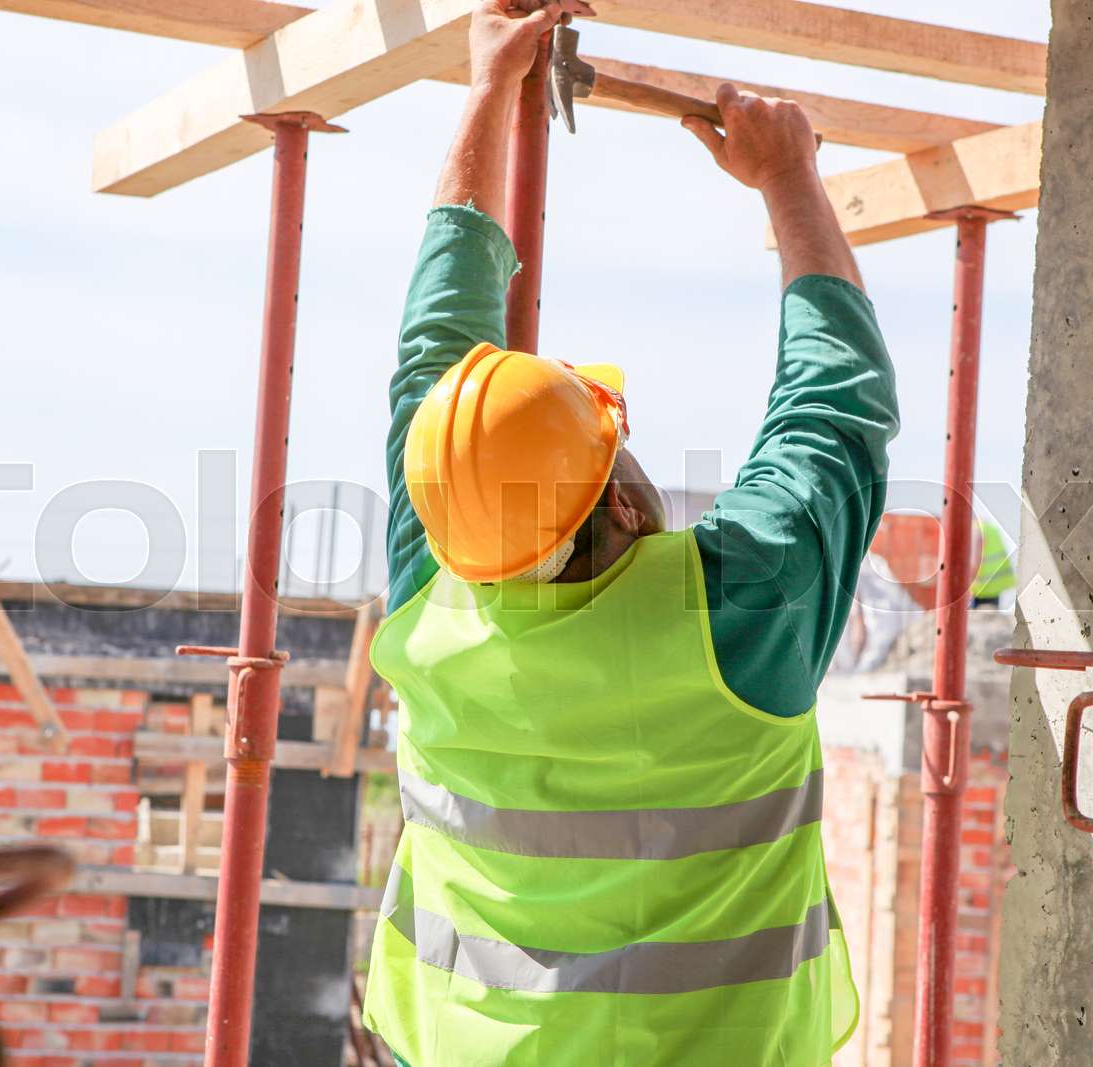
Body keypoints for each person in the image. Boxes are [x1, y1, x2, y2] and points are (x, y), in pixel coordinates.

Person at [361, 2, 899, 1063]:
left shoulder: (434, 592)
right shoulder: (735, 610)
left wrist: (482, 96)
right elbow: (830, 404)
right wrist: (786, 175)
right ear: (619, 502)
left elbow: (437, 354)